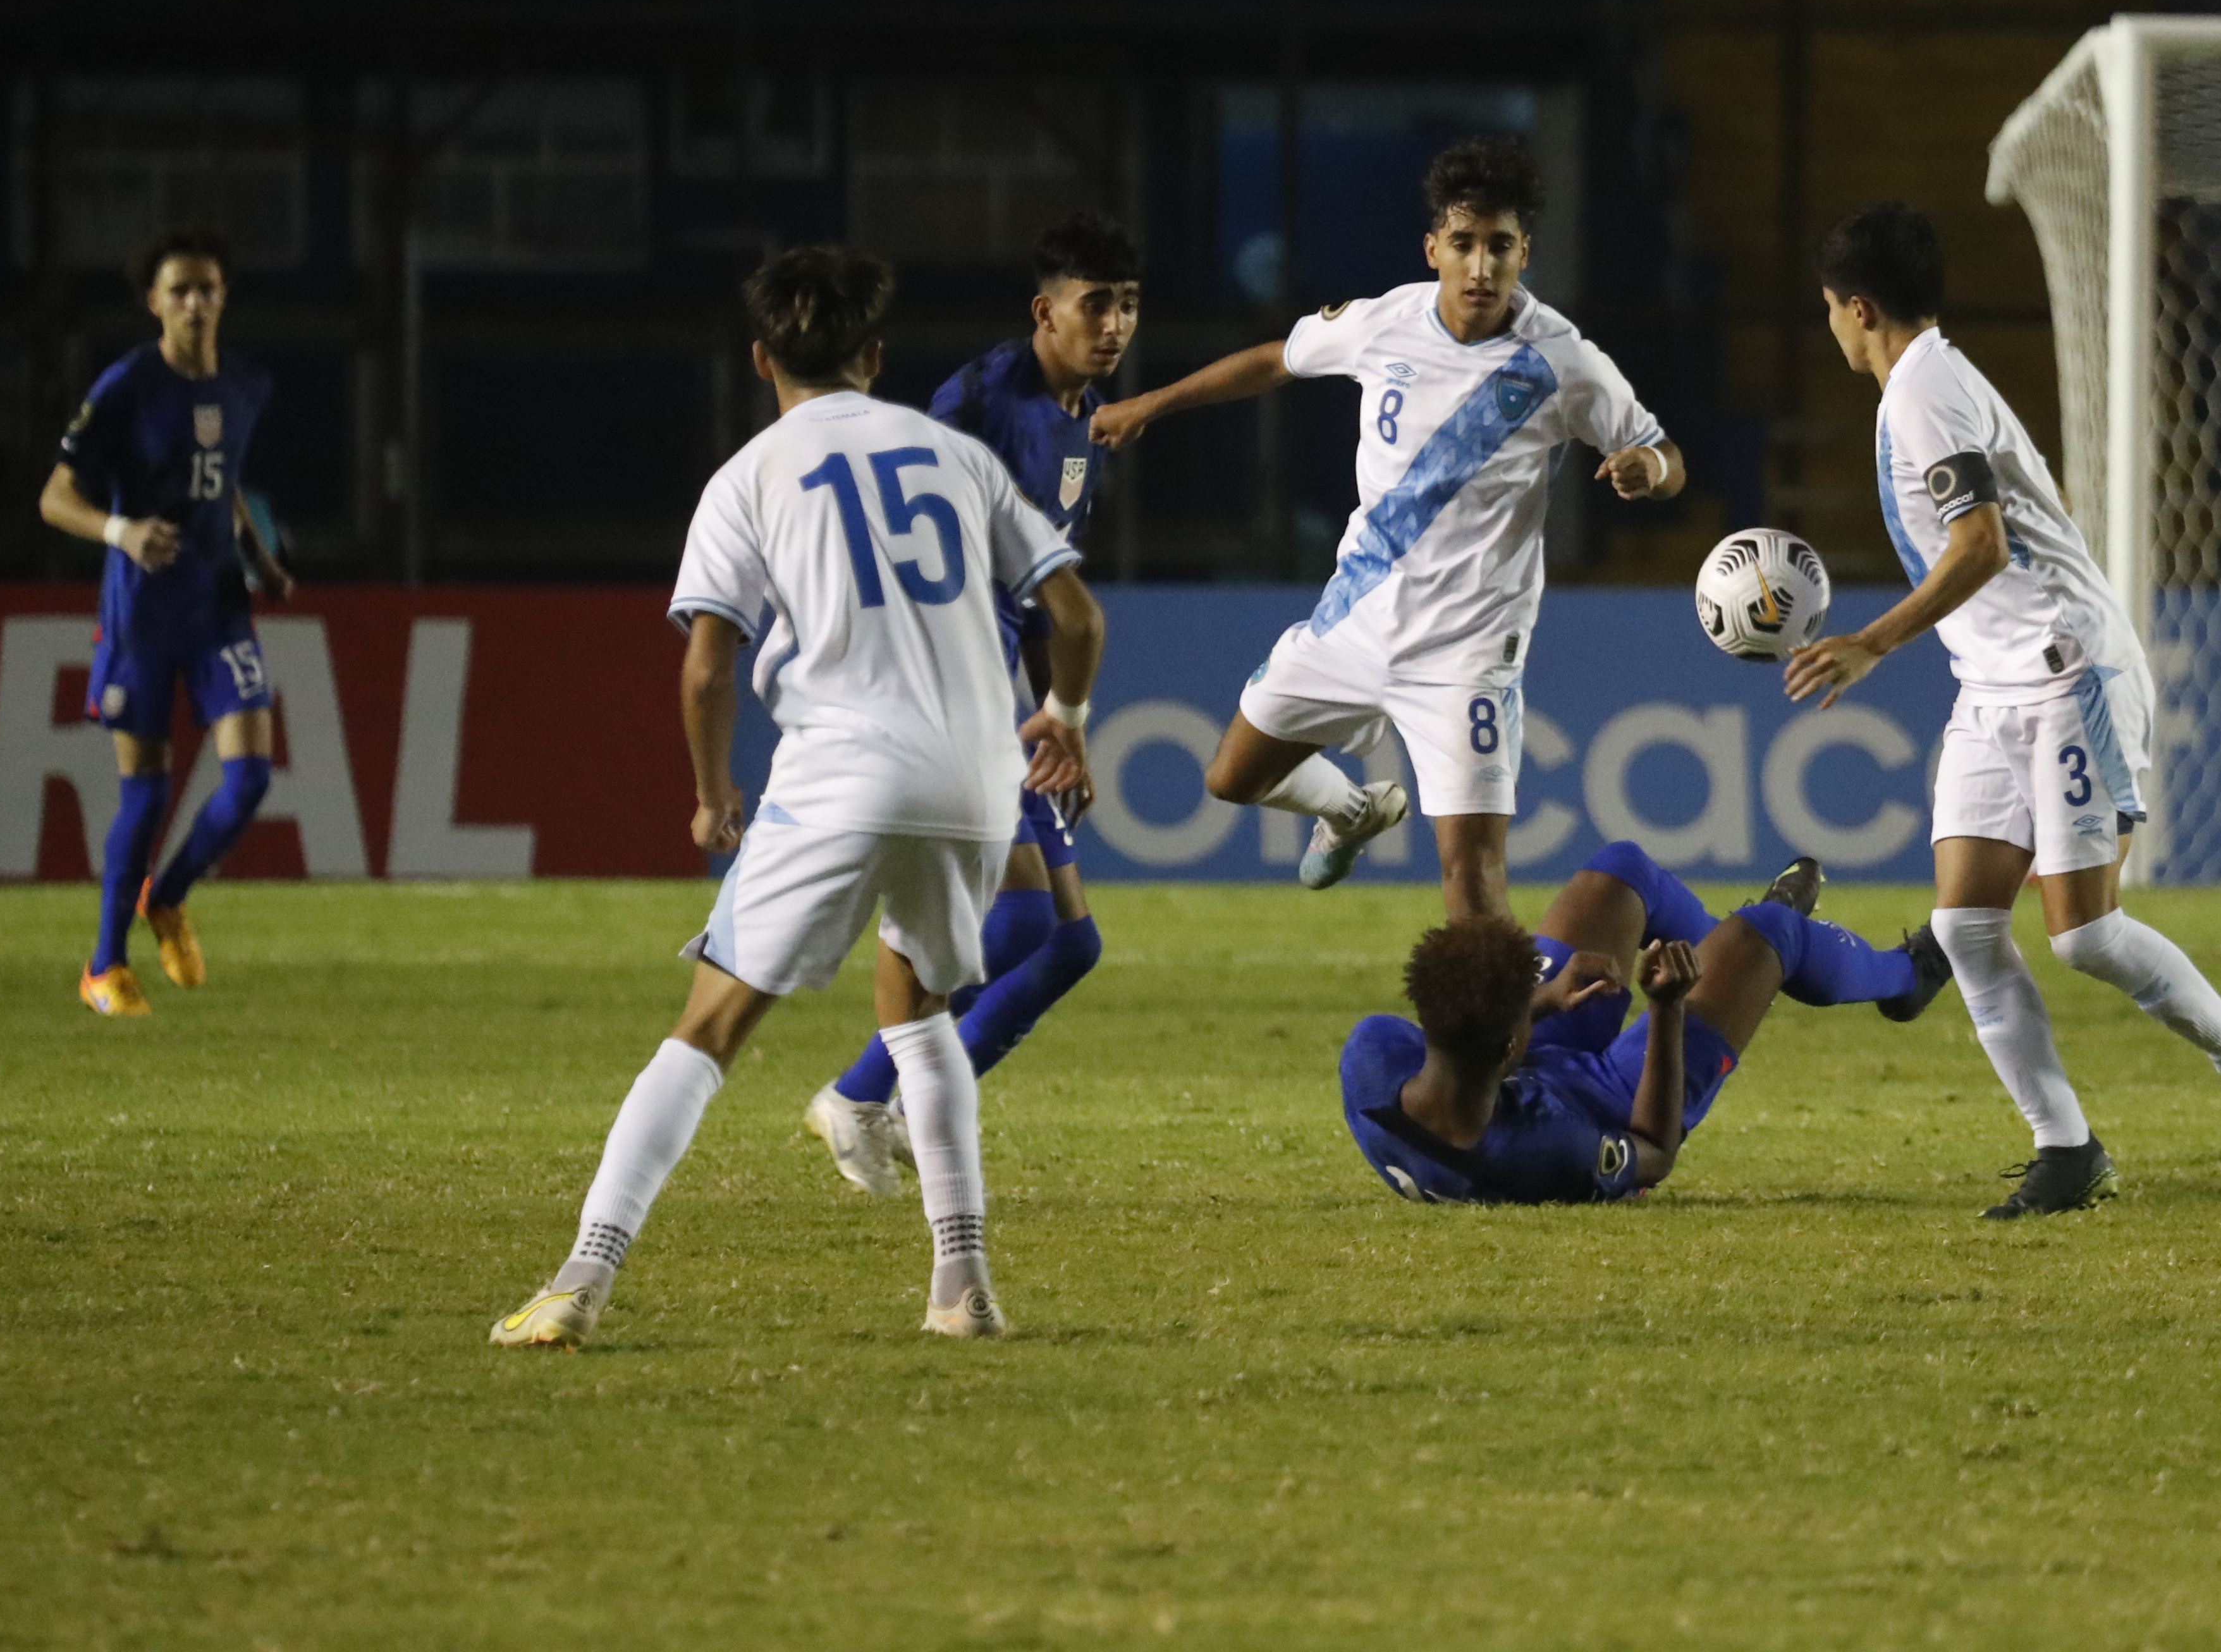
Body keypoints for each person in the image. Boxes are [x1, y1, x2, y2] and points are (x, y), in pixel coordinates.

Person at [491, 247, 1098, 1351]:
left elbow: (708, 664)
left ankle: (582, 1275)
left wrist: (711, 792)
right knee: (917, 1016)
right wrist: (1063, 714)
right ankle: (961, 1285)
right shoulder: (956, 454)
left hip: (842, 768)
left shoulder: (748, 476)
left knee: (710, 1027)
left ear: (763, 357)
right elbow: (1075, 612)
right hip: (974, 779)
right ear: (875, 355)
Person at [1782, 200, 2221, 1220]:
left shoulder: (1924, 391)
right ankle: (2065, 1147)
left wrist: (1873, 642)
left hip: (2070, 674)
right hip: (1994, 684)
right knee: (1969, 925)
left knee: (2083, 937)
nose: (1831, 327)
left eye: (1832, 311)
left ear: (1859, 308)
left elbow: (1981, 546)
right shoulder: (1926, 384)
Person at [1089, 137, 1684, 920]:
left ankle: (1505, 1044)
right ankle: (1347, 808)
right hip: (1357, 620)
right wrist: (1150, 404)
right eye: (1464, 245)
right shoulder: (1383, 324)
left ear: (1524, 253)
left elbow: (1664, 452)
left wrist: (1651, 470)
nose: (1481, 268)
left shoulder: (1564, 362)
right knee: (1231, 777)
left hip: (1466, 652)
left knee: (1472, 879)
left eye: (1499, 247)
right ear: (1433, 247)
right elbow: (1276, 360)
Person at [802, 212, 1142, 1197]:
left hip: (1004, 680)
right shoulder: (981, 401)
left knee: (1070, 942)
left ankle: (885, 1100)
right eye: (1094, 305)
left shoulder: (1087, 419)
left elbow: (1047, 596)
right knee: (1027, 919)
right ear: (1046, 311)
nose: (1112, 324)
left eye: (1125, 306)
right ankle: (870, 1096)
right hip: (952, 673)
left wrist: (1058, 724)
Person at [1341, 843, 1952, 1204]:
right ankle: (1908, 976)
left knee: (1619, 873)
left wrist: (1546, 999)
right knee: (1772, 934)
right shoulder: (1546, 1151)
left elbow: (1475, 1044)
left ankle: (1729, 955)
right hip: (1612, 1100)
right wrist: (1664, 1011)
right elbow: (1655, 1152)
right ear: (1506, 1042)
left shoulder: (1373, 1057)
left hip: (1517, 1071)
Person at [37, 229, 297, 1019]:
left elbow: (224, 484)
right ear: (153, 301)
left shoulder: (246, 386)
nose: (194, 302)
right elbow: (53, 498)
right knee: (144, 797)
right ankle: (104, 967)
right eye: (178, 289)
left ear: (224, 298)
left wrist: (263, 556)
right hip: (142, 613)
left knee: (250, 777)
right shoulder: (126, 385)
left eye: (207, 288)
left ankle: (169, 896)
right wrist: (122, 532)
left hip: (217, 603)